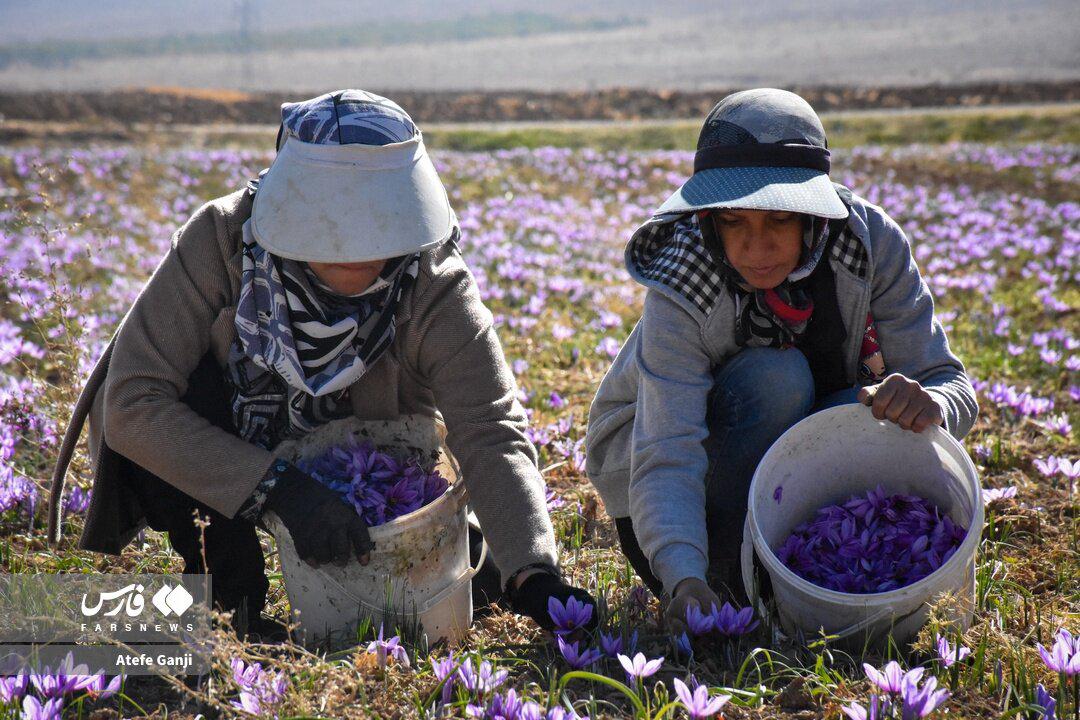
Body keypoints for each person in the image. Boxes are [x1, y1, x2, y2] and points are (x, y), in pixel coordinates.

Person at [48, 89, 594, 639]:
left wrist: (534, 570)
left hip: (367, 467)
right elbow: (133, 402)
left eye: (377, 216)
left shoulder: (432, 283)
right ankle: (229, 600)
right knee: (174, 409)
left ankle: (461, 565)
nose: (355, 239)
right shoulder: (222, 241)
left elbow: (489, 427)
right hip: (224, 451)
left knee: (458, 578)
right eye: (331, 216)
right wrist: (279, 490)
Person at [584, 88, 978, 634]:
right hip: (664, 504)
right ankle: (730, 575)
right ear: (711, 221)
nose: (756, 248)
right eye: (735, 223)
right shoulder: (682, 284)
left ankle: (797, 571)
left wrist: (929, 404)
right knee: (778, 377)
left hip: (786, 461)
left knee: (861, 412)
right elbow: (666, 450)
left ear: (812, 215)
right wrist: (682, 575)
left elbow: (948, 382)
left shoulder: (870, 245)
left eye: (778, 220)